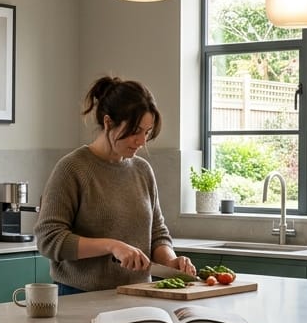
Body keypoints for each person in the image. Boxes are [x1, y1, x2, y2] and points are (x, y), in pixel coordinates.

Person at [35, 75, 196, 294]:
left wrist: (171, 261)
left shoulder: (142, 170)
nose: (141, 141)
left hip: (139, 295)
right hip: (80, 297)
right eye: (135, 131)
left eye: (147, 132)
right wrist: (112, 246)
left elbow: (157, 233)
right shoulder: (72, 169)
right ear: (108, 122)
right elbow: (49, 239)